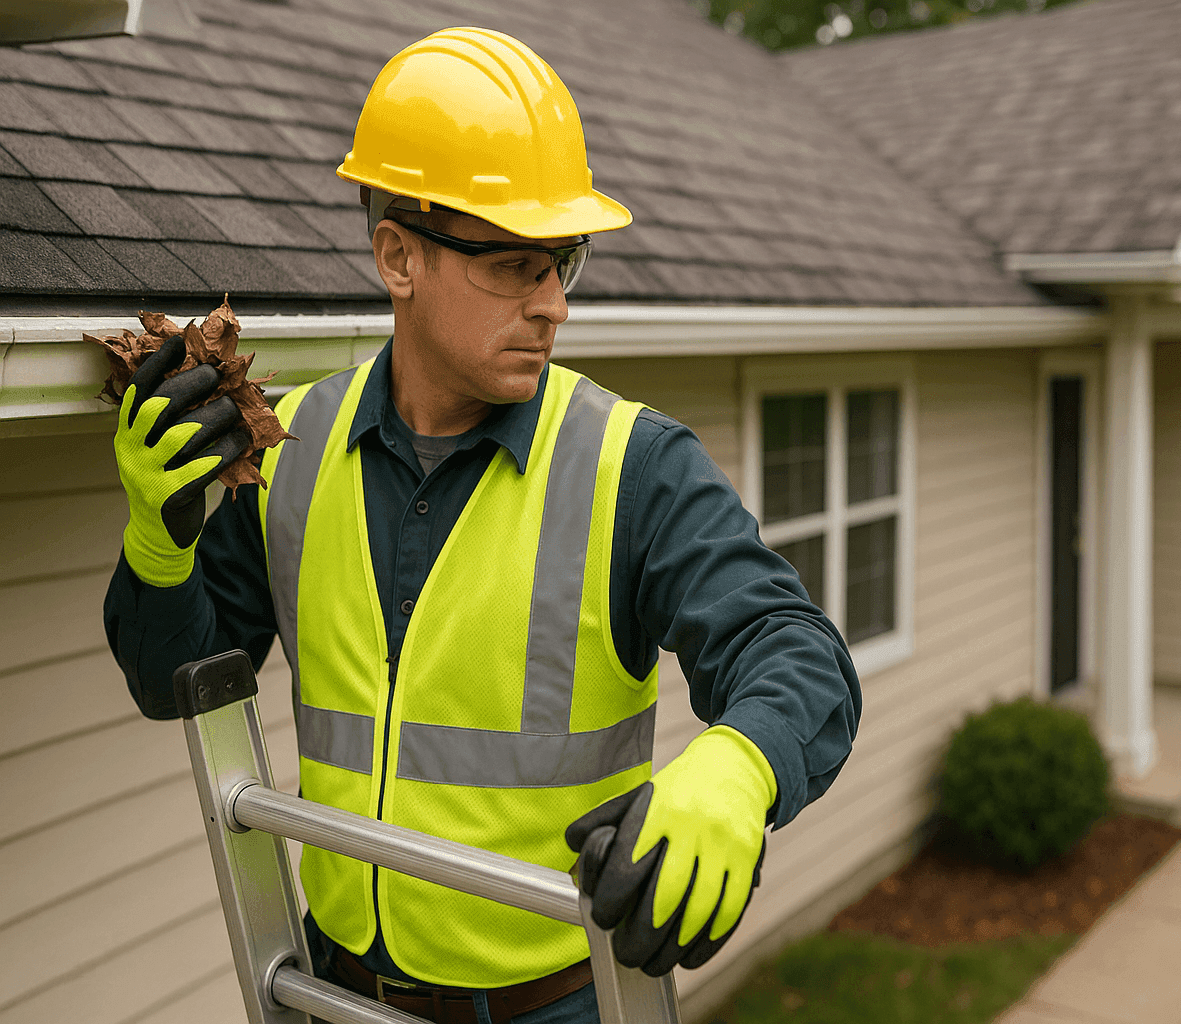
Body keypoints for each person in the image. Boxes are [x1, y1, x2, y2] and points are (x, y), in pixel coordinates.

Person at [103, 26, 860, 1024]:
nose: (553, 306)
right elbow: (179, 683)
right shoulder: (294, 452)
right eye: (515, 265)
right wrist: (161, 542)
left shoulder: (631, 465)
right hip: (332, 990)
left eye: (565, 263)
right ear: (398, 257)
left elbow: (794, 649)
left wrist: (738, 765)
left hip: (559, 1001)